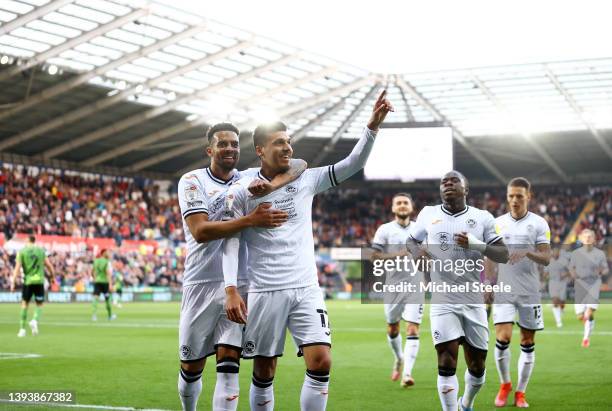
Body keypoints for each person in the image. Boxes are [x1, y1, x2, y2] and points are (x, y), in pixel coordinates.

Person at [222, 90, 393, 410]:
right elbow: (231, 241)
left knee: (321, 361)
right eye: (278, 143)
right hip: (266, 289)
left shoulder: (307, 179)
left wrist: (372, 127)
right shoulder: (243, 189)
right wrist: (231, 289)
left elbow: (353, 164)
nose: (287, 147)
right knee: (264, 370)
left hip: (306, 287)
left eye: (288, 141)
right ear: (260, 150)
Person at [176, 122, 307, 411]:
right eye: (222, 144)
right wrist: (250, 220)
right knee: (191, 365)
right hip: (200, 282)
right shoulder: (192, 180)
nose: (230, 149)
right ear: (209, 149)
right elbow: (200, 231)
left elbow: (298, 164)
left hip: (238, 282)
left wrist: (272, 185)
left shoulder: (246, 178)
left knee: (229, 362)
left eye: (235, 144)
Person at [406, 171, 509, 411]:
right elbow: (411, 241)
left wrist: (476, 244)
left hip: (473, 299)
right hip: (442, 299)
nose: (448, 184)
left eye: (454, 181)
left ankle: (466, 403)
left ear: (466, 189)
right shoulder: (428, 214)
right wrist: (416, 252)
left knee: (477, 366)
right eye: (444, 182)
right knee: (446, 358)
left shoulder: (482, 217)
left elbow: (503, 254)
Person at [491, 177, 551, 408]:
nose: (514, 200)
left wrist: (528, 251)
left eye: (519, 196)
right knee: (502, 338)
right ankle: (505, 384)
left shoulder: (538, 223)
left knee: (527, 341)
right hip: (504, 290)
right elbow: (489, 255)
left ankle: (520, 392)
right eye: (511, 196)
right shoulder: (497, 223)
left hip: (529, 291)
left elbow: (546, 258)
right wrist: (488, 283)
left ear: (529, 196)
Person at [371, 192, 424, 387]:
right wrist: (401, 254)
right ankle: (399, 358)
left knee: (412, 328)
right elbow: (374, 256)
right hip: (392, 286)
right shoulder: (385, 230)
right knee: (393, 328)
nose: (402, 206)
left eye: (405, 203)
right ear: (393, 208)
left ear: (411, 207)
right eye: (398, 203)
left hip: (414, 286)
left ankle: (407, 374)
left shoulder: (420, 230)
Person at [569, 229, 609, 348]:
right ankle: (590, 323)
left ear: (594, 239)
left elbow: (606, 269)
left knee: (588, 312)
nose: (587, 239)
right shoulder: (576, 254)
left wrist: (602, 271)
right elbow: (571, 268)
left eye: (590, 236)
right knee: (581, 316)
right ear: (581, 239)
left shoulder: (599, 254)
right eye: (585, 237)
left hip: (593, 285)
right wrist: (574, 274)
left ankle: (586, 338)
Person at [10, 235, 56, 337]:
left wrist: (13, 282)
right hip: (39, 281)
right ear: (34, 241)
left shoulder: (22, 251)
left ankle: (22, 330)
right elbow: (49, 266)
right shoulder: (41, 251)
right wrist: (53, 277)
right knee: (39, 304)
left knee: (24, 305)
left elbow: (17, 268)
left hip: (28, 282)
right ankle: (35, 320)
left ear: (27, 240)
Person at [545, 246, 570, 327]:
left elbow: (570, 270)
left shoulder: (564, 261)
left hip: (562, 283)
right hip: (552, 283)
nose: (555, 253)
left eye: (557, 251)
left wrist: (565, 274)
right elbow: (545, 273)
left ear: (559, 252)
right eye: (554, 252)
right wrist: (546, 276)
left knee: (562, 301)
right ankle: (559, 322)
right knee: (555, 301)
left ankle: (561, 310)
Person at [91, 249, 115, 321]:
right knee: (107, 299)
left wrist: (95, 278)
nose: (108, 254)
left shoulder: (96, 261)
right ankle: (110, 316)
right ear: (103, 253)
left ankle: (94, 315)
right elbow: (108, 273)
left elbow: (92, 272)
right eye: (107, 252)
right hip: (105, 282)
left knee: (95, 298)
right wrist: (110, 284)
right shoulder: (106, 262)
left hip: (97, 282)